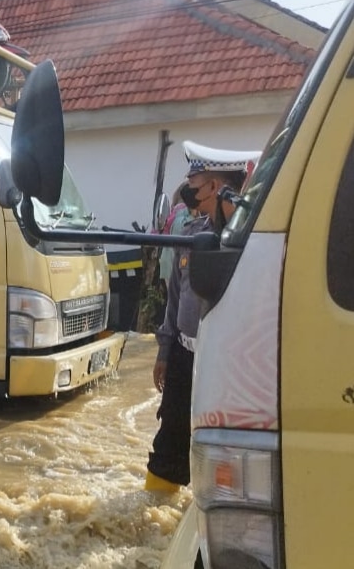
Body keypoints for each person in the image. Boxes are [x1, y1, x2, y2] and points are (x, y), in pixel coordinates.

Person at [146, 148, 252, 493]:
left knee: (226, 447)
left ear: (216, 187)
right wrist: (165, 352)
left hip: (227, 361)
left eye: (194, 188)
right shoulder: (191, 235)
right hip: (184, 353)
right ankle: (157, 514)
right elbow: (175, 298)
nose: (190, 196)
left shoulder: (252, 242)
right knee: (171, 438)